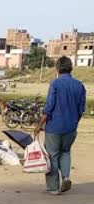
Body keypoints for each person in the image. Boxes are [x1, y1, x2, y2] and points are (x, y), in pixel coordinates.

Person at [35, 56, 87, 195]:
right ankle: (66, 177)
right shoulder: (79, 85)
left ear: (58, 69)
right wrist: (75, 122)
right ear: (71, 68)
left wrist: (39, 125)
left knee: (52, 155)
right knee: (65, 152)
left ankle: (53, 187)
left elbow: (49, 107)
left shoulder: (55, 84)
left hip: (54, 126)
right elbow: (81, 109)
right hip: (71, 127)